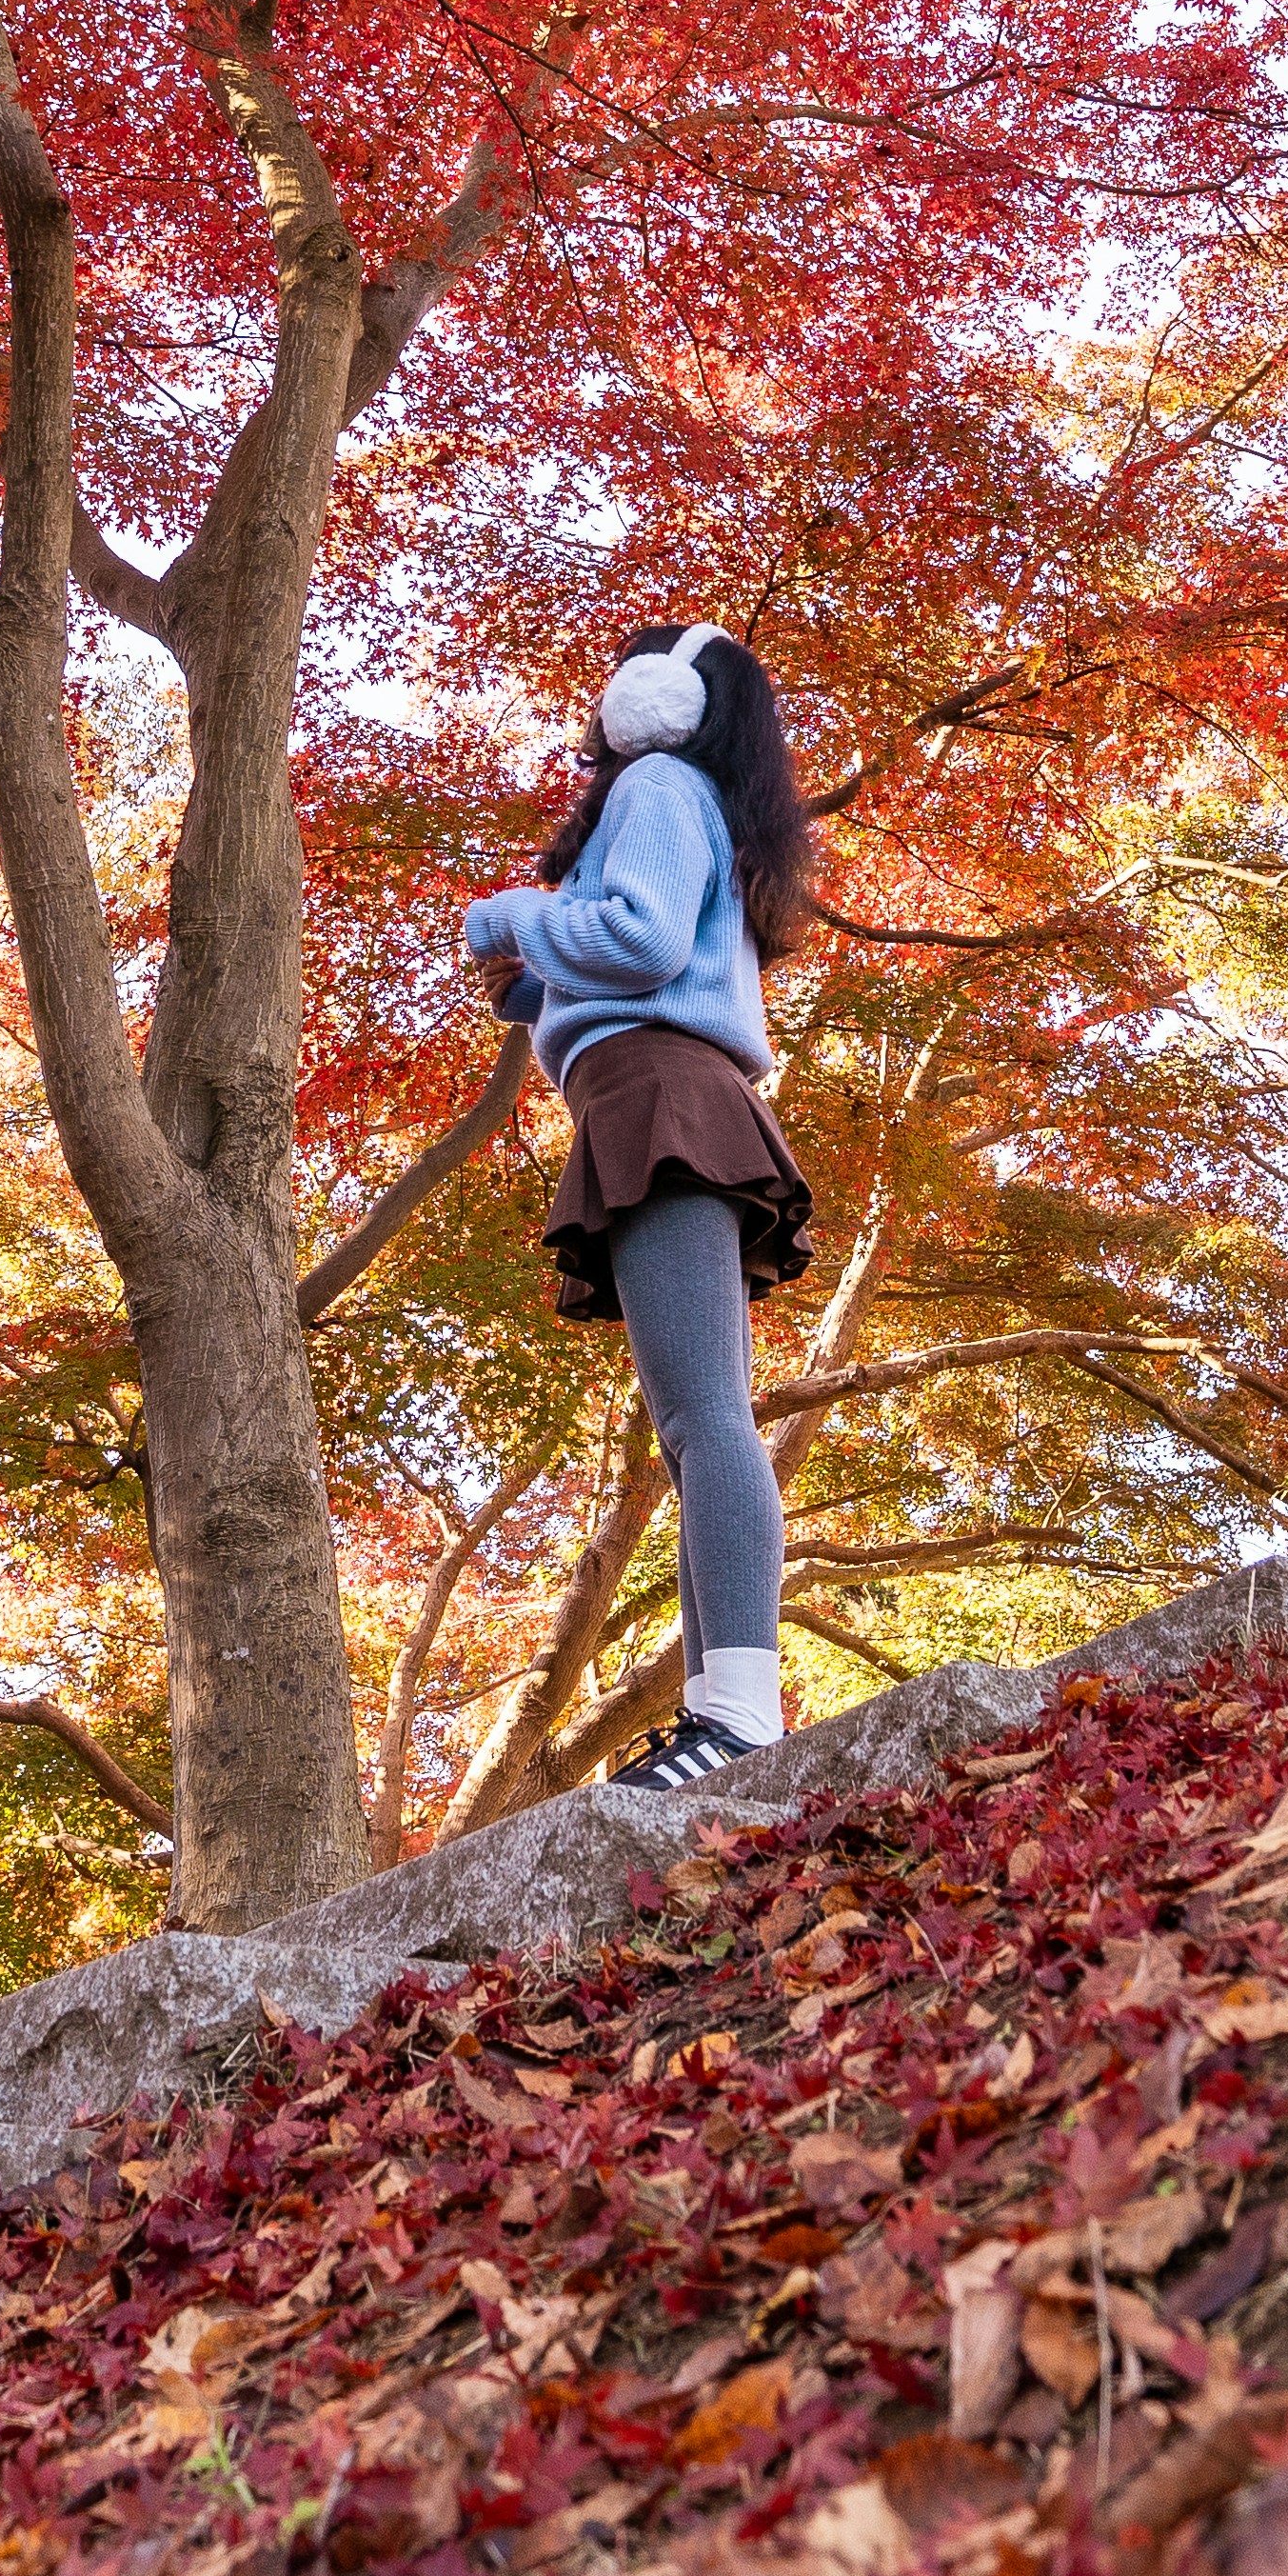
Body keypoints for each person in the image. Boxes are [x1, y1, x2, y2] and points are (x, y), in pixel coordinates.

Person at [463, 622, 819, 1793]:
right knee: (695, 1422)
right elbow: (660, 947)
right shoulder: (694, 796)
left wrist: (519, 917)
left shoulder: (658, 783)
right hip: (654, 1092)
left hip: (660, 1096)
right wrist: (542, 982)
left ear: (654, 702)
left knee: (707, 1417)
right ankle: (725, 1714)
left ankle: (741, 1719)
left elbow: (646, 935)